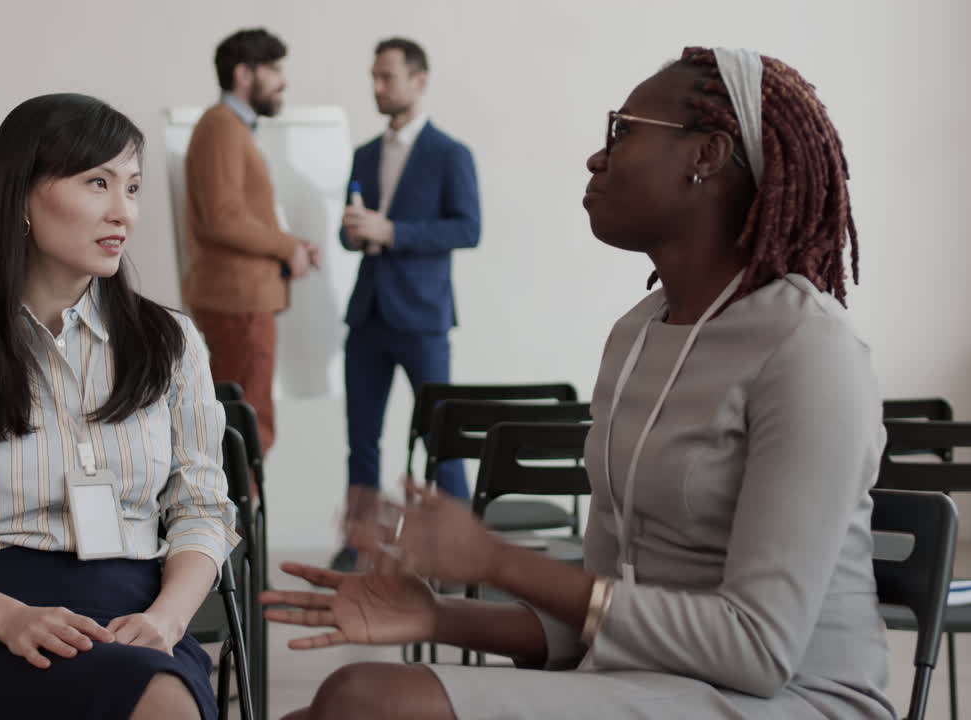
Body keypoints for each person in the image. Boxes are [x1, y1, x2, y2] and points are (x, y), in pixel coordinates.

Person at [262, 47, 897, 720]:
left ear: (706, 155)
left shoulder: (808, 349)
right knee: (326, 710)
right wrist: (437, 615)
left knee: (360, 699)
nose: (597, 158)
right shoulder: (636, 334)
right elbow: (597, 612)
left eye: (622, 131)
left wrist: (497, 561)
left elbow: (756, 650)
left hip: (797, 697)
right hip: (654, 675)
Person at [0, 93, 237, 720]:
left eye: (134, 187)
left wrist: (167, 619)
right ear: (22, 198)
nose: (124, 212)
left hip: (141, 612)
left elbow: (202, 508)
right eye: (98, 183)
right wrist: (7, 617)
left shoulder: (170, 342)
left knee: (163, 696)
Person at [333, 38, 481, 572]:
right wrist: (355, 232)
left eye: (387, 77)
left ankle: (463, 546)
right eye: (373, 76)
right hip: (368, 314)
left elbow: (469, 228)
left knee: (444, 434)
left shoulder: (450, 153)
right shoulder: (365, 153)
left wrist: (391, 230)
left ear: (419, 80)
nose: (377, 87)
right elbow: (352, 232)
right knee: (362, 440)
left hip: (423, 317)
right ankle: (359, 543)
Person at [183, 27, 320, 454]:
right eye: (274, 68)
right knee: (247, 428)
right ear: (244, 74)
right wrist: (287, 248)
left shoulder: (231, 127)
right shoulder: (222, 126)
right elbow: (223, 219)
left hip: (244, 300)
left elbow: (238, 216)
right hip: (238, 303)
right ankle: (238, 524)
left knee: (248, 425)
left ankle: (241, 521)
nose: (284, 81)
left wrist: (291, 244)